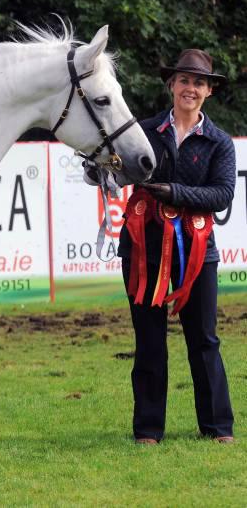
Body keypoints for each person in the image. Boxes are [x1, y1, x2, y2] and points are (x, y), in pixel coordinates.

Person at [118, 49, 236, 445]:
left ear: (209, 91)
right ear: (171, 85)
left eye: (199, 82)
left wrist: (173, 192)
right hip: (142, 250)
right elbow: (119, 168)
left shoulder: (219, 141)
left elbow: (221, 194)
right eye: (184, 80)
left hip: (200, 253)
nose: (191, 88)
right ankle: (148, 430)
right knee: (149, 340)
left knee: (204, 339)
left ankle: (218, 427)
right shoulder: (144, 130)